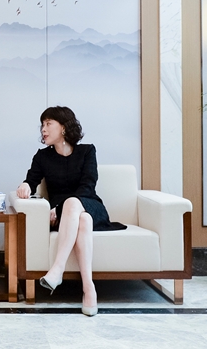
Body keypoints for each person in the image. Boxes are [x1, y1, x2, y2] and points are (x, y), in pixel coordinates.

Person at [16, 106, 125, 316]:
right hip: (67, 217)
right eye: (42, 125)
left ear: (64, 127)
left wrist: (59, 207)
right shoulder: (42, 157)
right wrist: (25, 186)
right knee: (83, 220)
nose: (43, 129)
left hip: (90, 205)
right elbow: (31, 180)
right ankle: (89, 289)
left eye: (48, 124)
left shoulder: (87, 151)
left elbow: (88, 186)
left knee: (74, 205)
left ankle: (57, 269)